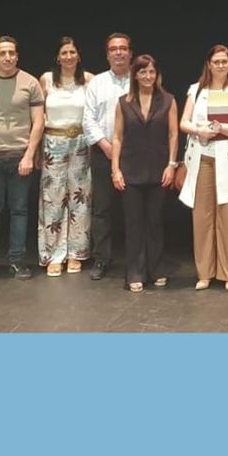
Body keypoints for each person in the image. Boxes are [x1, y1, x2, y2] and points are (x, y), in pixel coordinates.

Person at [178, 44, 228, 292]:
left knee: (227, 218)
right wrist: (199, 130)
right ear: (209, 64)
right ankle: (205, 272)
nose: (220, 65)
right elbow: (183, 122)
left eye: (224, 61)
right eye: (216, 61)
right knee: (202, 218)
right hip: (203, 157)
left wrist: (221, 128)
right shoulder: (197, 90)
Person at [0, 36, 44, 281]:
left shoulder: (30, 82)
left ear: (17, 56)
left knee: (19, 210)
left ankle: (17, 261)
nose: (7, 57)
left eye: (11, 53)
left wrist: (29, 155)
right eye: (2, 53)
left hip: (19, 156)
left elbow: (38, 122)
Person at [112, 54, 179, 292]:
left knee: (155, 222)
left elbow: (173, 135)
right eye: (143, 72)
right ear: (135, 75)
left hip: (159, 171)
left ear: (157, 74)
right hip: (130, 171)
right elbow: (117, 137)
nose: (147, 76)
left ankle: (157, 269)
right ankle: (135, 272)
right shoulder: (123, 102)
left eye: (151, 72)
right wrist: (115, 169)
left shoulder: (168, 100)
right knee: (133, 224)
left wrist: (171, 165)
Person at [38, 36, 94, 275]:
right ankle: (54, 254)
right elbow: (37, 115)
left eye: (72, 52)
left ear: (78, 55)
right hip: (54, 142)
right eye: (64, 53)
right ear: (57, 57)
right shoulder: (46, 80)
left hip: (81, 142)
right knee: (53, 199)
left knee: (81, 199)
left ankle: (76, 253)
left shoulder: (89, 80)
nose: (69, 56)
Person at [83, 33, 133, 280]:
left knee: (134, 208)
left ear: (130, 53)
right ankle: (102, 258)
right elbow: (88, 119)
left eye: (123, 48)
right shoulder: (97, 83)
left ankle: (136, 259)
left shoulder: (141, 80)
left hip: (134, 154)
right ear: (107, 54)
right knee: (102, 208)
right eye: (114, 49)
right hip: (104, 152)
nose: (118, 52)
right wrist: (106, 146)